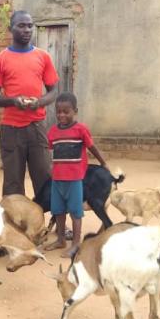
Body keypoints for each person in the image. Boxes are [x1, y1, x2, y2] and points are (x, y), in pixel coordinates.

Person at [0, 10, 59, 197]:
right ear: (10, 28)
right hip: (11, 130)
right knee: (13, 182)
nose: (27, 29)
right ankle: (14, 224)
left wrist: (39, 102)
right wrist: (13, 101)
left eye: (30, 25)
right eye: (21, 25)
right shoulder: (0, 60)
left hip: (37, 127)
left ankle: (49, 223)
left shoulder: (43, 57)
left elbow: (53, 92)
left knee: (44, 177)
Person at [45, 92, 108, 257]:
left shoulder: (81, 129)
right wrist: (51, 169)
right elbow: (53, 152)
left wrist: (103, 163)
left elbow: (92, 147)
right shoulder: (52, 131)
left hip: (74, 180)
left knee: (75, 211)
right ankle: (60, 240)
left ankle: (76, 244)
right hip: (57, 179)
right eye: (58, 111)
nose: (61, 115)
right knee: (57, 210)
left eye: (66, 111)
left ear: (75, 111)